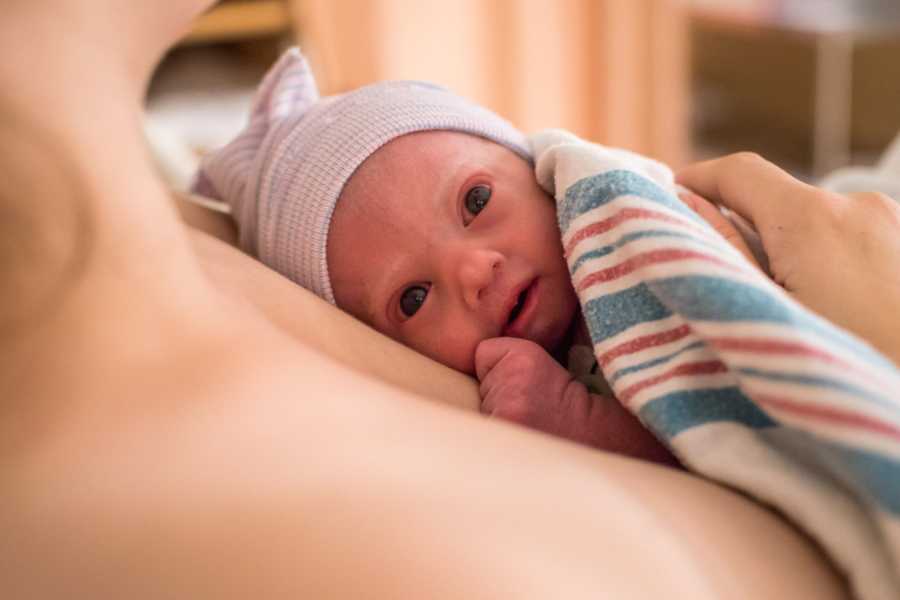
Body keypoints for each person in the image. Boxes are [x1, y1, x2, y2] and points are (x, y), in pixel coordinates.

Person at [2, 0, 893, 597]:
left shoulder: (618, 232)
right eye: (413, 297)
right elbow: (703, 437)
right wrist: (570, 418)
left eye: (475, 202)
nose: (474, 272)